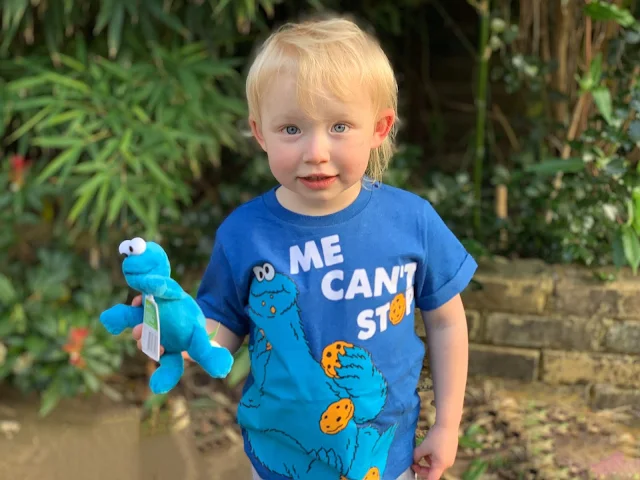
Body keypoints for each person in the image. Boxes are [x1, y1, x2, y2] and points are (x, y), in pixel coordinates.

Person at [131, 14, 476, 480]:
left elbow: (447, 321)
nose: (315, 150)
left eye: (339, 126)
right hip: (279, 461)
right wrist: (189, 336)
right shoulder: (245, 233)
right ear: (260, 133)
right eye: (291, 129)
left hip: (383, 461)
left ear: (379, 127)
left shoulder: (411, 220)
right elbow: (225, 329)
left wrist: (448, 425)